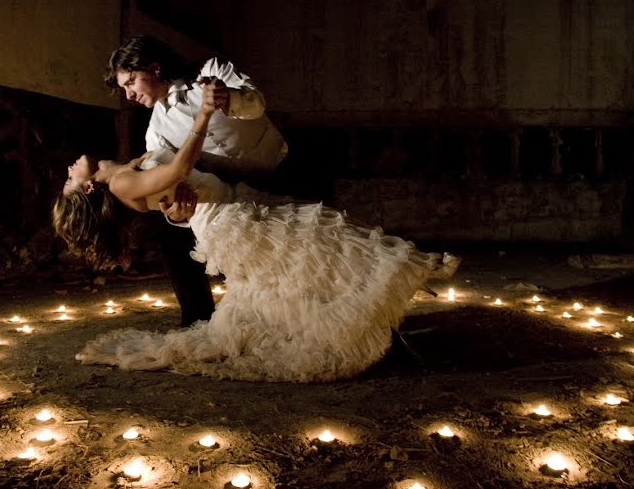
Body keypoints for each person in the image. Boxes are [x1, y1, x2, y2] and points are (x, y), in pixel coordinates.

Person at [53, 89, 460, 383]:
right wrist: (203, 116)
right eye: (70, 180)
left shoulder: (128, 167)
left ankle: (372, 330)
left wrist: (176, 210)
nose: (69, 168)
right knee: (318, 249)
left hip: (234, 205)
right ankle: (366, 333)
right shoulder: (123, 185)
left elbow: (172, 197)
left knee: (303, 270)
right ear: (89, 189)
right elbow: (176, 172)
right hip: (229, 221)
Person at [103, 35, 288, 327]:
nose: (128, 95)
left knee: (314, 240)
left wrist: (228, 97)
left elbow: (257, 104)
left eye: (131, 82)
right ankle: (197, 319)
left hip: (282, 170)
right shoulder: (156, 132)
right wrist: (174, 214)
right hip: (233, 191)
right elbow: (168, 183)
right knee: (172, 237)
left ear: (154, 69)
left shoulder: (211, 71)